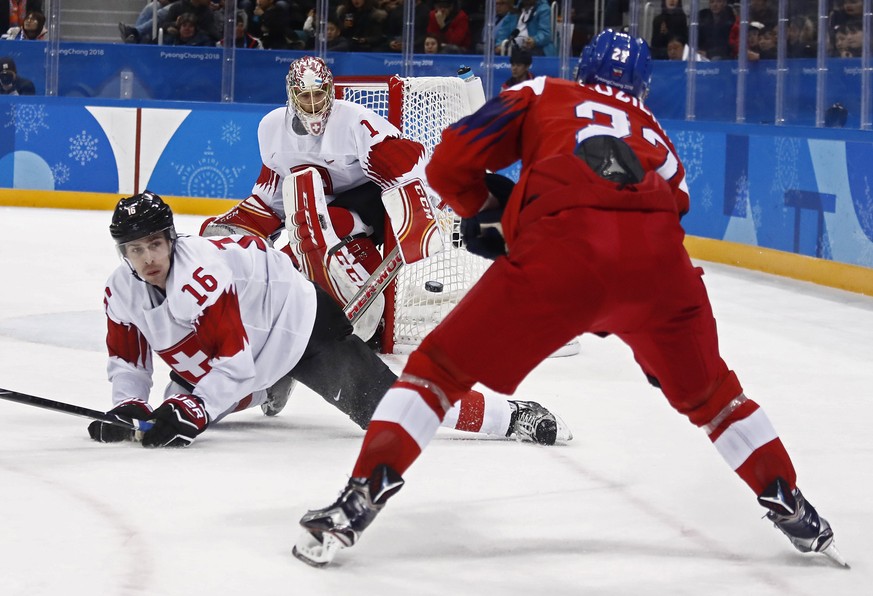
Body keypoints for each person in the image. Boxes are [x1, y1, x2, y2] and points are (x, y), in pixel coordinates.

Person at [293, 29, 846, 570]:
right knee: (717, 398)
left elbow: (449, 160)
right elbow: (670, 210)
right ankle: (791, 503)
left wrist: (488, 207)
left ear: (583, 70)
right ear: (643, 88)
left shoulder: (544, 93)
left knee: (434, 374)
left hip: (561, 256)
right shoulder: (655, 133)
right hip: (662, 275)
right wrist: (659, 341)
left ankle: (359, 500)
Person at [89, 191, 571, 448]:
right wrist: (129, 403)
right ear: (123, 253)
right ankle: (268, 384)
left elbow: (230, 367)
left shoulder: (202, 276)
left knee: (388, 409)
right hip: (243, 341)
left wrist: (194, 410)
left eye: (155, 243)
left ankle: (511, 417)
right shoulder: (121, 290)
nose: (148, 257)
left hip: (298, 324)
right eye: (135, 249)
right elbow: (128, 361)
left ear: (171, 239)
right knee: (175, 405)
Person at [200, 56, 439, 346]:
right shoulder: (271, 127)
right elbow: (273, 191)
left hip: (375, 199)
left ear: (330, 92)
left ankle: (368, 314)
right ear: (292, 96)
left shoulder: (354, 122)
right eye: (305, 96)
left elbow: (405, 163)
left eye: (318, 94)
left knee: (315, 223)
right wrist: (246, 224)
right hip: (317, 209)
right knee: (299, 221)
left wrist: (422, 206)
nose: (313, 104)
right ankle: (286, 300)